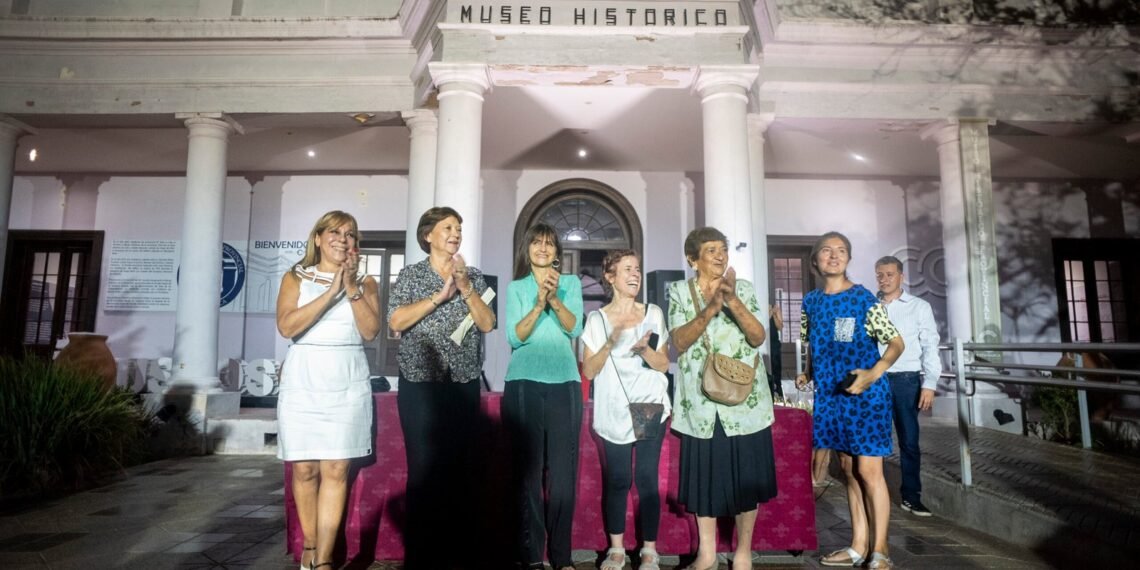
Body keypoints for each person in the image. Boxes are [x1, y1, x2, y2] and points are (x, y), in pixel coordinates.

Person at [387, 207, 495, 569]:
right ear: (428, 235)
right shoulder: (411, 275)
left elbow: (488, 322)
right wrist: (439, 297)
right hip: (419, 385)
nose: (455, 233)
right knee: (423, 469)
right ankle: (421, 556)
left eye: (459, 228)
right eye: (447, 227)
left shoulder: (474, 277)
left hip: (462, 384)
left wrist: (464, 289)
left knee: (461, 469)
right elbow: (397, 320)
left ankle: (458, 555)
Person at [275, 210, 381, 570]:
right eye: (334, 231)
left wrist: (349, 287)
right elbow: (288, 326)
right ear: (318, 238)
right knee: (304, 470)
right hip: (304, 376)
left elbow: (369, 332)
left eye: (350, 233)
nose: (342, 238)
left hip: (347, 376)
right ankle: (310, 544)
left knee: (336, 468)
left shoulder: (366, 282)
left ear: (356, 244)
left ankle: (323, 561)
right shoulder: (296, 277)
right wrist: (330, 291)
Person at [667, 227, 777, 570]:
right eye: (711, 250)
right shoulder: (679, 292)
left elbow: (758, 336)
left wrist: (731, 301)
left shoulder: (742, 288)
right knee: (705, 481)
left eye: (722, 250)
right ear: (692, 259)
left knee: (746, 479)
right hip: (700, 407)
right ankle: (707, 554)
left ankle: (743, 553)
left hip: (746, 403)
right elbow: (679, 342)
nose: (719, 256)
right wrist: (712, 307)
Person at [795, 232, 904, 570]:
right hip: (830, 397)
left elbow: (896, 344)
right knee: (846, 469)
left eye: (841, 250)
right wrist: (807, 373)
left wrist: (873, 373)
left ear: (848, 259)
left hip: (866, 396)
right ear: (815, 261)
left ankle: (881, 550)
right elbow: (811, 341)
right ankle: (858, 545)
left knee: (870, 471)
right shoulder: (810, 301)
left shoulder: (863, 299)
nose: (834, 255)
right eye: (826, 250)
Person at [580, 250, 671, 570]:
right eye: (628, 269)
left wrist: (645, 348)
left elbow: (662, 364)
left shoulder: (653, 314)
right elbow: (589, 372)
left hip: (647, 404)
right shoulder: (596, 319)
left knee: (645, 477)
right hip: (613, 407)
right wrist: (610, 340)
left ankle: (649, 549)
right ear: (610, 276)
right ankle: (616, 549)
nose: (635, 274)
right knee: (618, 479)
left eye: (638, 269)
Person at [503, 223, 584, 570]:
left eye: (549, 245)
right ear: (527, 248)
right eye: (536, 243)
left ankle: (561, 556)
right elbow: (514, 336)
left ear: (556, 253)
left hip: (565, 383)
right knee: (529, 474)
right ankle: (533, 556)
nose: (542, 249)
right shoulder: (516, 287)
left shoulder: (571, 284)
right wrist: (537, 304)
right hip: (523, 383)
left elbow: (574, 327)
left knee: (564, 476)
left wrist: (553, 298)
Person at [874, 255, 941, 518]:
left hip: (906, 380)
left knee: (909, 441)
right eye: (880, 274)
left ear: (901, 276)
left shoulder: (918, 307)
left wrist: (930, 384)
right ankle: (873, 492)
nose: (885, 279)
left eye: (890, 274)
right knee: (873, 440)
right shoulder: (871, 306)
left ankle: (911, 497)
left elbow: (930, 346)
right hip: (875, 380)